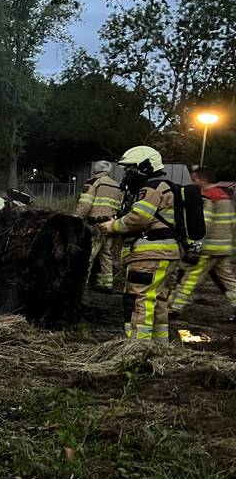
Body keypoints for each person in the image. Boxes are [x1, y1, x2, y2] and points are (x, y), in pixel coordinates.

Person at [100, 146, 179, 343]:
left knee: (138, 301)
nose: (127, 174)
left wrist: (113, 226)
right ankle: (161, 348)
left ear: (145, 167)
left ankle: (137, 349)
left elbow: (139, 218)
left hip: (149, 254)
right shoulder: (165, 185)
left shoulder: (150, 188)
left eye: (130, 169)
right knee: (158, 301)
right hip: (166, 253)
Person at [168, 167, 236, 320]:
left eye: (194, 179)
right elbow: (233, 223)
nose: (193, 183)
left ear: (203, 179)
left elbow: (202, 224)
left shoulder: (207, 196)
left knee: (190, 277)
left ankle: (174, 307)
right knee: (229, 281)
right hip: (224, 247)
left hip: (208, 249)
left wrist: (194, 245)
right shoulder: (225, 196)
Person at [76, 160, 122, 291]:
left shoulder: (93, 183)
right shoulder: (116, 185)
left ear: (95, 171)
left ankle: (82, 285)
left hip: (95, 225)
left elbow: (85, 204)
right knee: (106, 254)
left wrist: (75, 218)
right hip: (110, 225)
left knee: (89, 254)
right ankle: (106, 284)